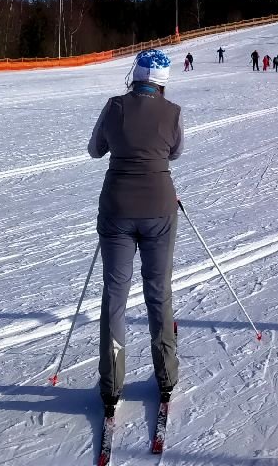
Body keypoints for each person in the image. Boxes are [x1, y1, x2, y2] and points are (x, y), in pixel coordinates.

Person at [87, 49, 183, 417]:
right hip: (159, 207)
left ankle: (111, 384)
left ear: (137, 75)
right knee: (158, 291)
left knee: (115, 295)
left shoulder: (114, 106)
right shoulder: (172, 112)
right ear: (162, 82)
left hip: (117, 209)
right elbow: (175, 152)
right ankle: (166, 376)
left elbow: (95, 149)